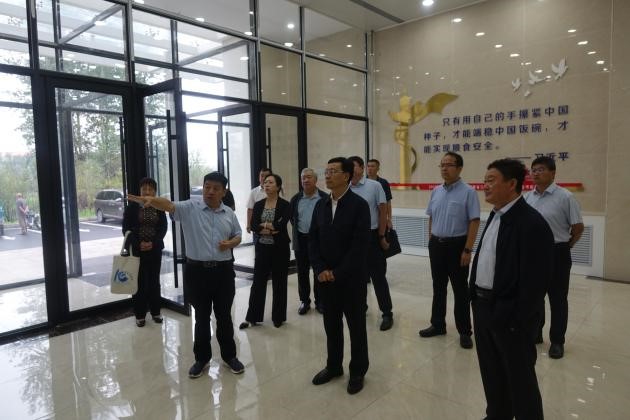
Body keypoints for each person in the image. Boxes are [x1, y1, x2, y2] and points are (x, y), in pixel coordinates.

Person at [127, 172, 245, 378]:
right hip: (197, 272)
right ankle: (202, 359)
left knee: (224, 316)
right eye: (207, 187)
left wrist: (231, 243)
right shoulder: (191, 207)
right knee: (201, 317)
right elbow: (169, 205)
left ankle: (230, 356)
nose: (210, 191)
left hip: (224, 272)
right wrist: (152, 200)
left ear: (224, 192)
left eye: (215, 188)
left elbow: (238, 234)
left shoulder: (229, 213)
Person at [470, 158, 553, 420]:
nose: (485, 186)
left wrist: (517, 320)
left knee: (520, 379)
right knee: (491, 372)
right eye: (484, 181)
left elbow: (535, 284)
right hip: (483, 308)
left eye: (491, 180)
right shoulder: (496, 215)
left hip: (510, 317)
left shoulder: (531, 223)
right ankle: (497, 414)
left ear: (512, 184)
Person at [309, 157, 371, 395]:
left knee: (356, 327)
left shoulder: (359, 205)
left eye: (333, 171)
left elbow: (359, 246)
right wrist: (320, 269)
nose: (327, 175)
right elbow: (313, 240)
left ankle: (358, 371)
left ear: (346, 176)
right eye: (326, 171)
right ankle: (334, 366)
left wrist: (336, 272)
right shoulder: (321, 205)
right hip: (326, 280)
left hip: (351, 280)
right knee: (331, 326)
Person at [419, 152, 480, 349]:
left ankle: (465, 331)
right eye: (442, 165)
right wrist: (431, 239)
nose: (444, 168)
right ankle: (438, 325)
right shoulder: (436, 191)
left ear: (459, 168)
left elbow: (474, 221)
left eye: (449, 165)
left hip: (458, 246)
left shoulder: (468, 192)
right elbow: (432, 216)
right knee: (438, 287)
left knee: (460, 290)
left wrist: (468, 249)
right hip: (437, 245)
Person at [525, 156, 584, 359]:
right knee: (534, 297)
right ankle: (536, 333)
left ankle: (557, 341)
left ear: (553, 173)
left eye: (541, 169)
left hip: (557, 252)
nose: (536, 173)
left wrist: (567, 245)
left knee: (558, 299)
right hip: (533, 253)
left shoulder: (565, 197)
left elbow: (578, 227)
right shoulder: (527, 198)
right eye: (534, 170)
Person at [348, 156, 393, 331]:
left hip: (372, 237)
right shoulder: (346, 187)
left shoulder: (374, 186)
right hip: (352, 238)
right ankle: (361, 307)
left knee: (378, 276)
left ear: (361, 168)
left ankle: (387, 313)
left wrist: (381, 236)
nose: (350, 170)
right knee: (357, 276)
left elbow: (383, 212)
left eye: (353, 166)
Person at [240, 173, 290, 329]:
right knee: (258, 283)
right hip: (262, 248)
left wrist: (265, 225)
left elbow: (280, 225)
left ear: (278, 186)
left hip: (280, 249)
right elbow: (254, 225)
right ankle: (252, 317)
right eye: (265, 182)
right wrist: (268, 227)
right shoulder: (259, 204)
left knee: (280, 282)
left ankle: (278, 317)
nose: (266, 185)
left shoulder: (285, 205)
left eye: (270, 182)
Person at [123, 177, 168, 327]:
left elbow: (163, 228)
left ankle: (156, 312)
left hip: (155, 250)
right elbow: (125, 229)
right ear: (140, 190)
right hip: (137, 251)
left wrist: (153, 243)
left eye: (150, 189)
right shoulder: (132, 207)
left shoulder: (159, 206)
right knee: (139, 283)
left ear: (155, 191)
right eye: (144, 189)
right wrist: (138, 244)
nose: (147, 191)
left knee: (154, 282)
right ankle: (140, 315)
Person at [289, 168, 327, 315]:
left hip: (319, 241)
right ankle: (305, 301)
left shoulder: (324, 198)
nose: (305, 180)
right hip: (301, 240)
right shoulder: (296, 199)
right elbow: (293, 219)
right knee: (302, 272)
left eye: (309, 177)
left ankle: (320, 301)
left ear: (315, 180)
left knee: (319, 271)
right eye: (303, 178)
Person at [366, 159, 393, 229]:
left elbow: (388, 202)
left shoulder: (383, 182)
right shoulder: (362, 182)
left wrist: (389, 219)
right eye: (368, 166)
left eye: (372, 166)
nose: (370, 168)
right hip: (366, 219)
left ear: (378, 168)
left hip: (381, 218)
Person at [246, 168, 272, 234]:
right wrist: (248, 224)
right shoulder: (254, 192)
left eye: (266, 176)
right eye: (262, 176)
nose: (263, 178)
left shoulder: (275, 191)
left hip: (272, 225)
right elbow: (250, 209)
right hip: (258, 226)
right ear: (259, 177)